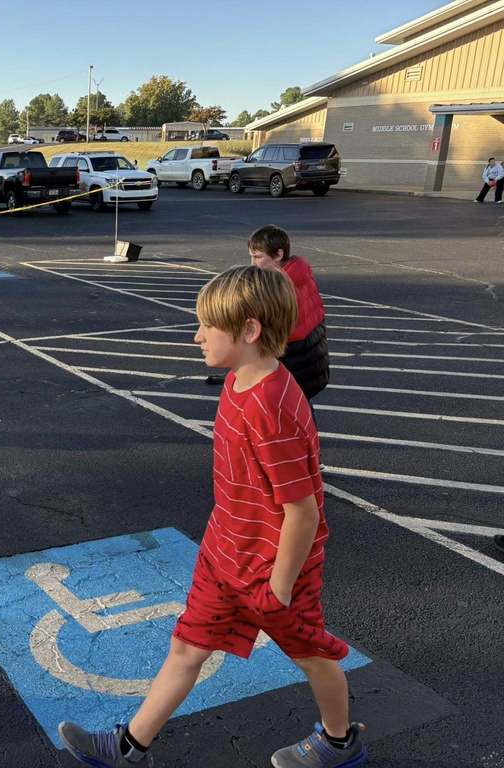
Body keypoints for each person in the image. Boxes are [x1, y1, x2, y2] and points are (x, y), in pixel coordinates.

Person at [58, 265, 364, 768]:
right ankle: (129, 748)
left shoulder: (273, 407)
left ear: (248, 330)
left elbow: (303, 512)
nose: (196, 335)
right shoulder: (240, 379)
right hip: (226, 554)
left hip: (273, 568)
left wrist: (280, 588)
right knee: (187, 645)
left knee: (313, 655)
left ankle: (338, 741)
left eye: (207, 326)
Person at [248, 225, 330, 403]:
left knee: (291, 416)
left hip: (294, 367)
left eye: (258, 257)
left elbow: (271, 332)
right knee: (304, 411)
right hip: (312, 363)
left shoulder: (279, 288)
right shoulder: (300, 274)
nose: (253, 263)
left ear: (278, 254)